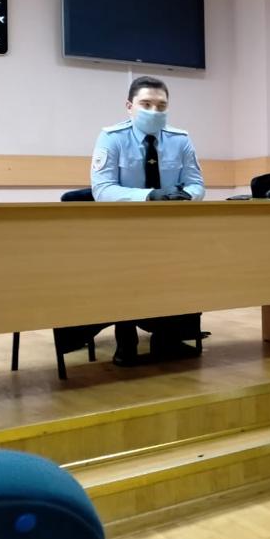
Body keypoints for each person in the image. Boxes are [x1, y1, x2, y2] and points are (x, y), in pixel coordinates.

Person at [90, 75, 205, 365]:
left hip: (169, 231)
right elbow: (102, 190)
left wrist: (184, 196)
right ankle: (125, 341)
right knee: (126, 276)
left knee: (179, 275)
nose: (154, 111)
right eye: (146, 104)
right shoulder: (112, 137)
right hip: (122, 232)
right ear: (129, 106)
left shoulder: (180, 139)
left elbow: (196, 184)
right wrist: (150, 196)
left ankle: (167, 339)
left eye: (161, 106)